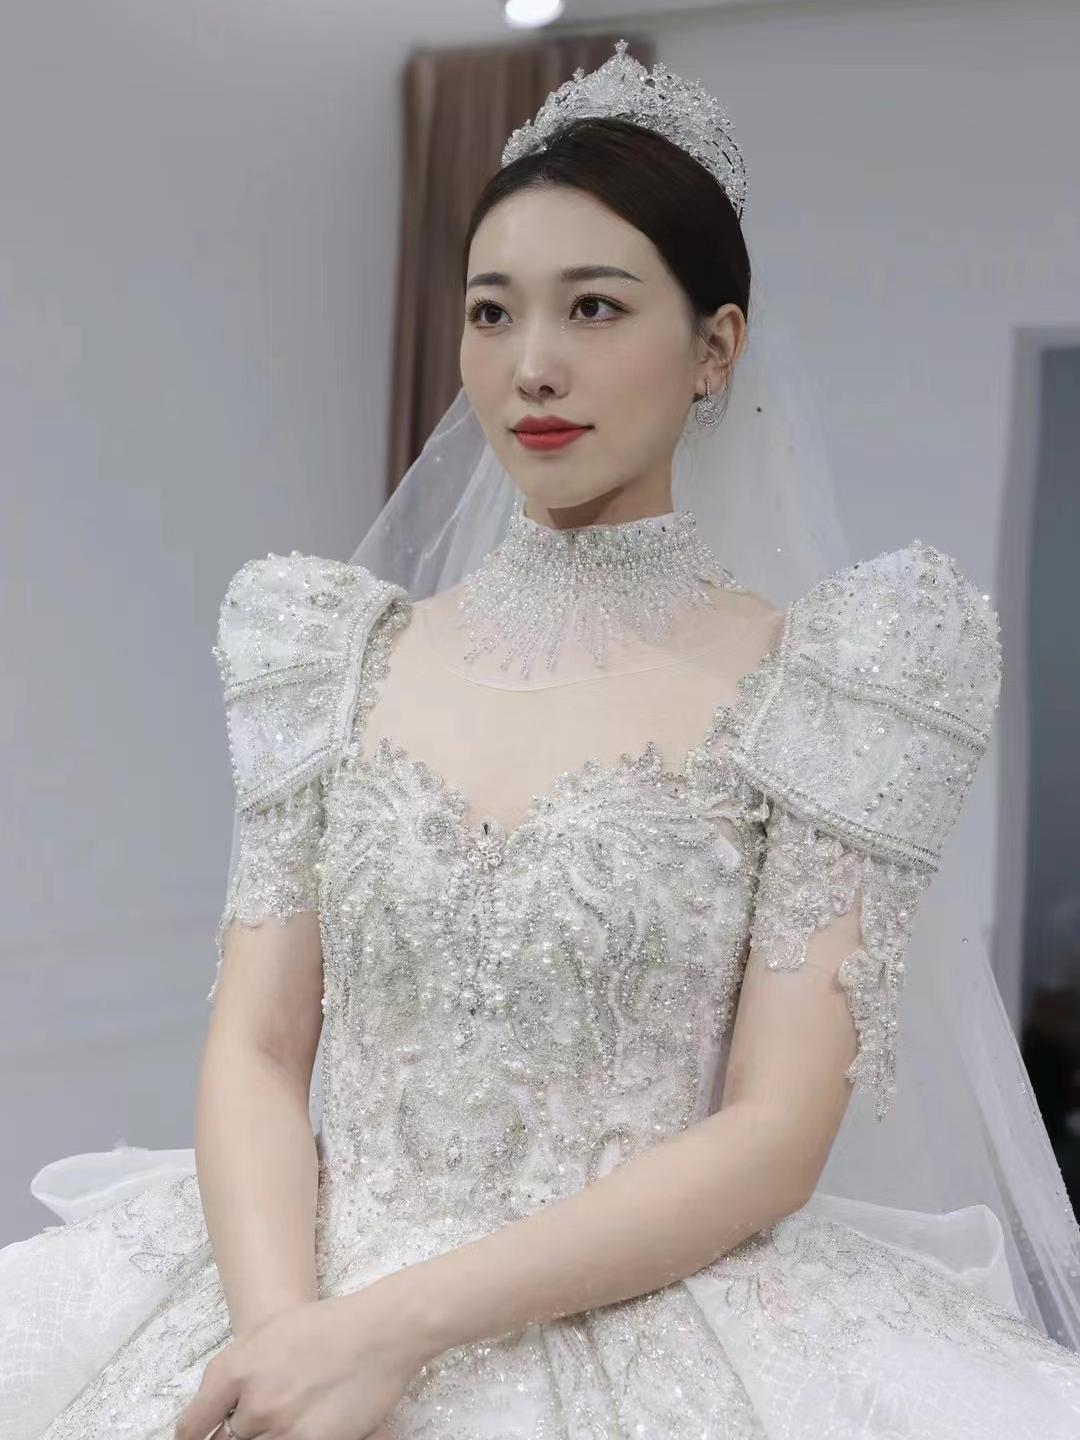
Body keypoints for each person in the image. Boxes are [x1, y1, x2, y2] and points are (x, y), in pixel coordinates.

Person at [3, 40, 1080, 1440]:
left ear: (716, 348)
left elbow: (774, 1133)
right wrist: (284, 1344)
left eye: (595, 307)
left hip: (637, 1326)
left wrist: (390, 1331)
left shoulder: (834, 683)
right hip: (285, 1297)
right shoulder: (328, 654)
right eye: (491, 313)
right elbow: (258, 1049)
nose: (533, 366)